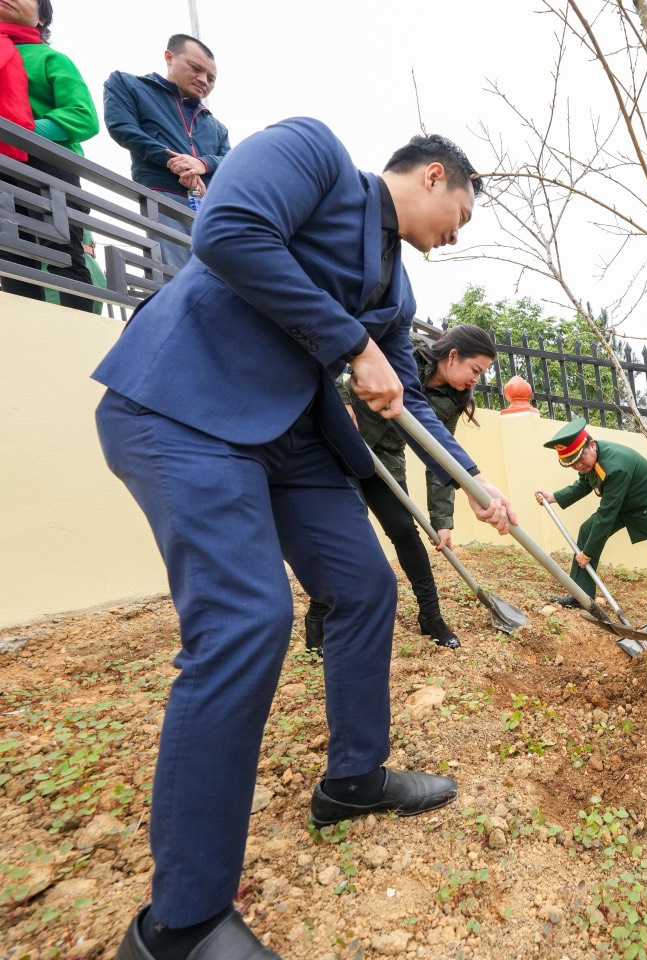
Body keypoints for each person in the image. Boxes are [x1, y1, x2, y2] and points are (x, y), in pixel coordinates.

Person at [94, 118, 515, 960]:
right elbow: (229, 231)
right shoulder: (313, 154)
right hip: (183, 409)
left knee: (365, 588)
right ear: (434, 176)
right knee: (248, 621)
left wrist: (474, 480)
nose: (455, 236)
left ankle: (354, 781)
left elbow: (413, 402)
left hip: (289, 440)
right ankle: (180, 925)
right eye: (461, 215)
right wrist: (351, 342)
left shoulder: (397, 291)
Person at [305, 323, 498, 653]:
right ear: (453, 356)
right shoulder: (403, 351)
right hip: (339, 445)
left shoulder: (453, 400)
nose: (475, 380)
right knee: (348, 529)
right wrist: (342, 400)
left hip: (385, 458)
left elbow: (440, 455)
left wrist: (442, 521)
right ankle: (317, 621)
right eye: (475, 370)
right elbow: (344, 358)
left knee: (404, 532)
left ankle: (431, 616)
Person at [0, 0, 99, 311]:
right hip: (4, 168)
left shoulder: (50, 58)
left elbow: (83, 116)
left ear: (42, 18)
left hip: (50, 167)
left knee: (65, 255)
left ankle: (79, 338)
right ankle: (31, 344)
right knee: (12, 257)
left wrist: (20, 132)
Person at [103, 33, 230, 268]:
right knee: (173, 277)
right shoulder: (127, 84)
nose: (204, 80)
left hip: (212, 212)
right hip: (162, 197)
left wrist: (202, 163)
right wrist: (173, 160)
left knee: (218, 284)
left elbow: (230, 161)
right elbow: (123, 129)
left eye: (211, 78)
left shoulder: (217, 127)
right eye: (196, 68)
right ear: (169, 57)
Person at [534, 417, 647, 609]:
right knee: (588, 530)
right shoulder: (592, 460)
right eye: (572, 463)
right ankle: (581, 595)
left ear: (591, 445)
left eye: (580, 459)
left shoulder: (615, 466)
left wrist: (587, 554)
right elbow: (584, 483)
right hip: (627, 504)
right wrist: (554, 497)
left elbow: (606, 515)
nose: (578, 466)